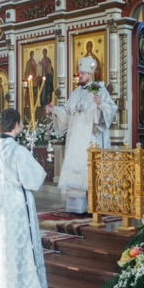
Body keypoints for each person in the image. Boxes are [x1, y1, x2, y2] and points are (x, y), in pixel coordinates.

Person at [0, 109, 48, 288]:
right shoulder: (18, 151)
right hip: (15, 208)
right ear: (16, 125)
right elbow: (33, 179)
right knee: (17, 248)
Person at [46, 57, 117, 213]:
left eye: (83, 73)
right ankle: (78, 207)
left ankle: (95, 205)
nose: (80, 76)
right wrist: (55, 110)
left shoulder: (100, 90)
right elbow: (67, 112)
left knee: (90, 171)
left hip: (91, 139)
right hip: (75, 141)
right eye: (79, 73)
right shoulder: (75, 93)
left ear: (90, 75)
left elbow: (111, 109)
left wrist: (100, 105)